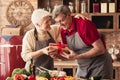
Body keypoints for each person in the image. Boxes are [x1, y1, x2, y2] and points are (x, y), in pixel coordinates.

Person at [52, 5, 113, 79]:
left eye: (62, 20)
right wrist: (58, 55)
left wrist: (77, 57)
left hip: (99, 65)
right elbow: (70, 54)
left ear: (69, 14)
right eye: (58, 22)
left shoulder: (84, 25)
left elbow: (100, 49)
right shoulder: (63, 30)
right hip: (83, 67)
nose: (60, 24)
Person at [21, 9, 62, 75]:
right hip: (33, 73)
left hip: (49, 72)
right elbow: (25, 56)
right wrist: (42, 51)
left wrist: (77, 18)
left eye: (49, 20)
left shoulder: (52, 29)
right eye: (46, 22)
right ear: (37, 24)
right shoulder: (29, 35)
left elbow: (65, 23)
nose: (50, 23)